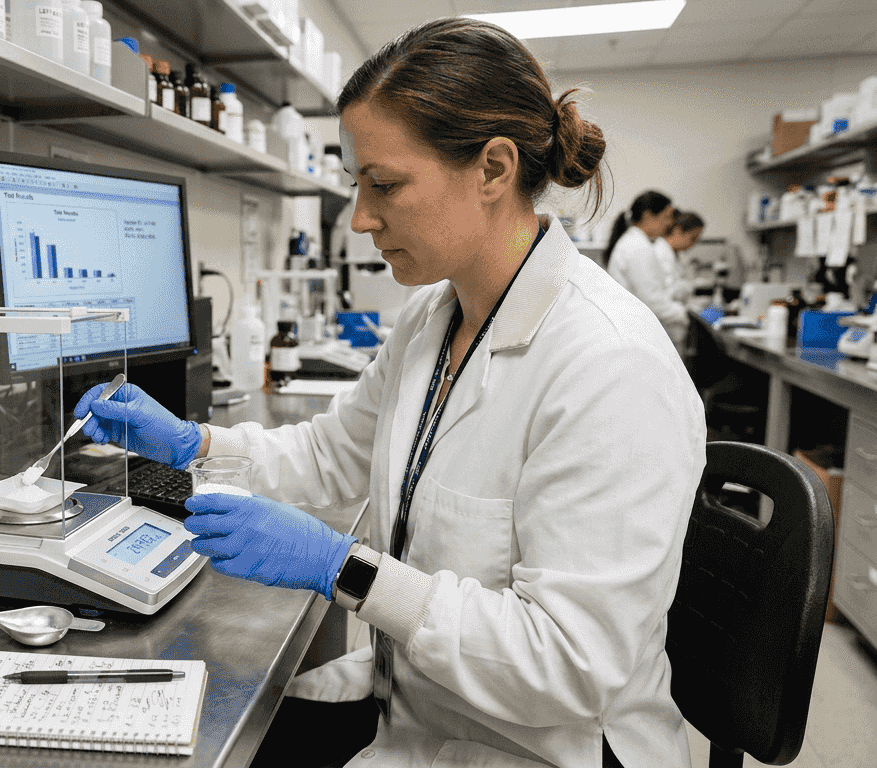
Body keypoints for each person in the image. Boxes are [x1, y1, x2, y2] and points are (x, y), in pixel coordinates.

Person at [75, 18, 704, 768]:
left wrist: (344, 569)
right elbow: (332, 452)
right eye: (357, 185)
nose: (363, 218)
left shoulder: (609, 365)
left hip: (539, 747)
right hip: (425, 711)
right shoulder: (435, 316)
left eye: (386, 184)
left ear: (494, 169)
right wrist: (192, 444)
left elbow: (567, 665)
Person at [605, 190, 688, 352]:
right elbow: (652, 301)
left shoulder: (637, 243)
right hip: (636, 335)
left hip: (636, 333)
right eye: (666, 216)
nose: (669, 223)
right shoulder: (638, 247)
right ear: (648, 216)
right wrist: (684, 314)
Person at [657, 210, 706, 305]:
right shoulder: (661, 252)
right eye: (693, 238)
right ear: (678, 231)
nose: (694, 243)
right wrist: (690, 285)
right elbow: (667, 291)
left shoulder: (674, 254)